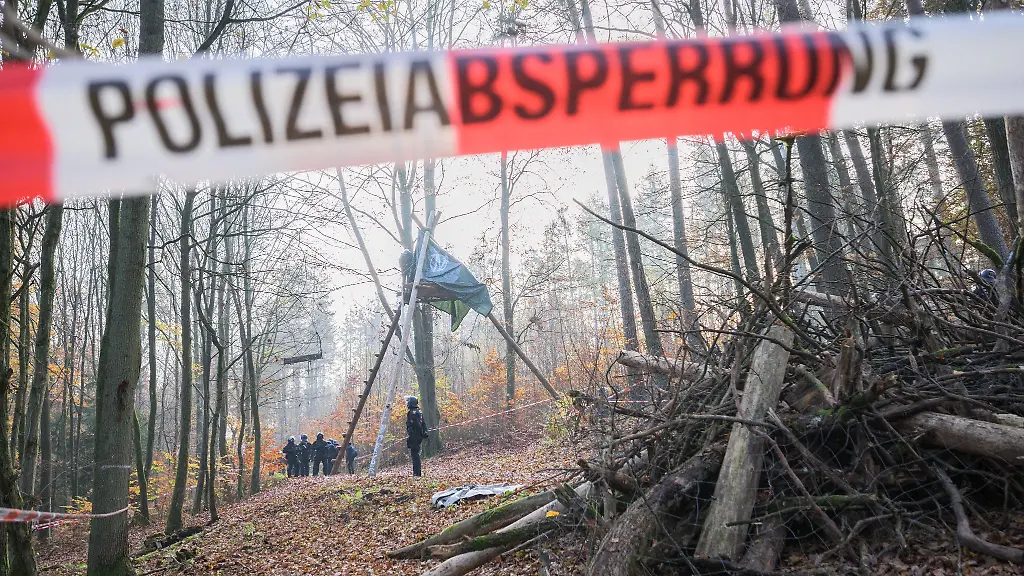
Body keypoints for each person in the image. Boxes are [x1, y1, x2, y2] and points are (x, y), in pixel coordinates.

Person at [405, 396, 429, 477]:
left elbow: (417, 424)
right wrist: (424, 432)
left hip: (414, 436)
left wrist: (421, 432)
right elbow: (423, 423)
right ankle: (417, 473)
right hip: (418, 436)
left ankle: (416, 473)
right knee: (416, 454)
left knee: (415, 455)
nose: (407, 403)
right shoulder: (419, 411)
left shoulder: (412, 412)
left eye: (408, 401)